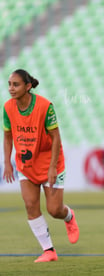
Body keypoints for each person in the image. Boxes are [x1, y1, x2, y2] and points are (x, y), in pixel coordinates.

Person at [3, 69, 79, 262]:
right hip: (26, 164)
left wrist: (53, 166)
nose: (11, 88)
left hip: (49, 162)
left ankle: (69, 216)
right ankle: (49, 251)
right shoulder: (8, 107)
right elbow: (8, 136)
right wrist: (7, 162)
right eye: (10, 84)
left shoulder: (45, 106)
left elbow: (56, 137)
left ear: (28, 87)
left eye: (16, 84)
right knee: (30, 205)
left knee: (54, 210)